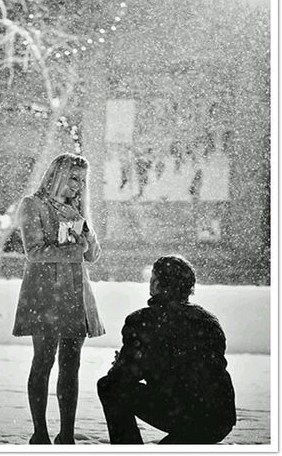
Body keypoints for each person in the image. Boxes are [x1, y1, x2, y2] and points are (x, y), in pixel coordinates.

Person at [13, 153, 105, 445]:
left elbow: (92, 255)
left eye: (83, 180)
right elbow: (34, 251)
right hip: (45, 293)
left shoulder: (77, 211)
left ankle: (67, 434)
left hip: (76, 294)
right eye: (74, 178)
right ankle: (39, 432)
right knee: (43, 361)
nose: (79, 185)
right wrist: (73, 250)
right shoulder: (32, 205)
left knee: (71, 365)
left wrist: (87, 239)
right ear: (57, 175)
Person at [97, 255, 236, 445]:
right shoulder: (209, 321)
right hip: (218, 418)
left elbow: (124, 377)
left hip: (181, 412)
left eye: (153, 278)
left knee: (109, 387)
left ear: (156, 283)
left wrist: (122, 363)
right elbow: (203, 369)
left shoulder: (142, 321)